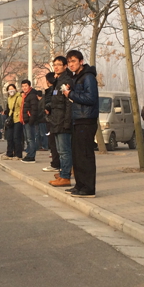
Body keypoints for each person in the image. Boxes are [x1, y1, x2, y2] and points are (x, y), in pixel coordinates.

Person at [63, 50, 98, 198]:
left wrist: (71, 94)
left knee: (85, 155)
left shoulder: (88, 77)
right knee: (77, 156)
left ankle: (88, 188)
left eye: (74, 61)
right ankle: (79, 185)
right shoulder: (77, 78)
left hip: (86, 120)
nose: (71, 65)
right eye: (69, 62)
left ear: (81, 62)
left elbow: (91, 98)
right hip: (78, 119)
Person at [46, 56, 74, 187]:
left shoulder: (66, 81)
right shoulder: (57, 81)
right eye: (54, 64)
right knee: (59, 150)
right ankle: (63, 172)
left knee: (64, 151)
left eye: (59, 64)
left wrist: (67, 122)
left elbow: (68, 104)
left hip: (62, 121)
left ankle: (65, 177)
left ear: (65, 66)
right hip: (55, 120)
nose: (56, 67)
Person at [20, 79, 38, 163]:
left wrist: (31, 120)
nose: (24, 88)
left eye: (26, 86)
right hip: (25, 120)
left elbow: (34, 109)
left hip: (29, 121)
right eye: (23, 86)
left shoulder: (32, 95)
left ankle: (31, 156)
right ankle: (29, 154)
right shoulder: (25, 95)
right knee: (28, 139)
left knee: (31, 139)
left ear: (29, 86)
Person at [3, 84, 23, 160]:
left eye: (12, 89)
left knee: (16, 137)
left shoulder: (19, 97)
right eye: (9, 89)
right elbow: (9, 109)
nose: (11, 91)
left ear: (15, 89)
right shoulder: (9, 98)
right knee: (9, 137)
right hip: (11, 119)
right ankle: (9, 153)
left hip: (17, 119)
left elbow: (22, 108)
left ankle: (18, 154)